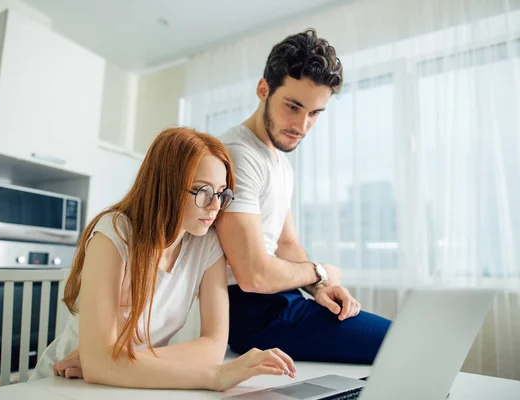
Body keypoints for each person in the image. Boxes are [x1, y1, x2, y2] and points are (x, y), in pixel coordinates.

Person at [29, 127, 296, 391]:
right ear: (166, 186)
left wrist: (107, 362)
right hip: (63, 383)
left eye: (221, 193)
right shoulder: (115, 233)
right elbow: (99, 365)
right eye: (202, 191)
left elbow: (213, 348)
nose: (215, 206)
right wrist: (213, 377)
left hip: (133, 382)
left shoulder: (207, 244)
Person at [216, 29, 391, 364]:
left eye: (314, 113)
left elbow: (287, 243)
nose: (302, 124)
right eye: (293, 107)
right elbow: (254, 275)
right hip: (253, 316)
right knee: (400, 343)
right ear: (263, 89)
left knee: (401, 342)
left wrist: (320, 288)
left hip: (284, 300)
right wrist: (321, 271)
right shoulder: (237, 154)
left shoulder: (279, 162)